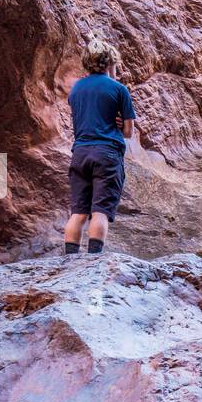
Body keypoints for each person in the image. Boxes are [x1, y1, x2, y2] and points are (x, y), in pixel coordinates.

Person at [63, 36, 137, 254]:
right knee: (100, 212)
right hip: (106, 154)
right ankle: (94, 262)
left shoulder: (76, 89)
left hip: (80, 153)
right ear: (111, 62)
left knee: (78, 213)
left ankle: (70, 263)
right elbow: (128, 131)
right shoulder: (119, 90)